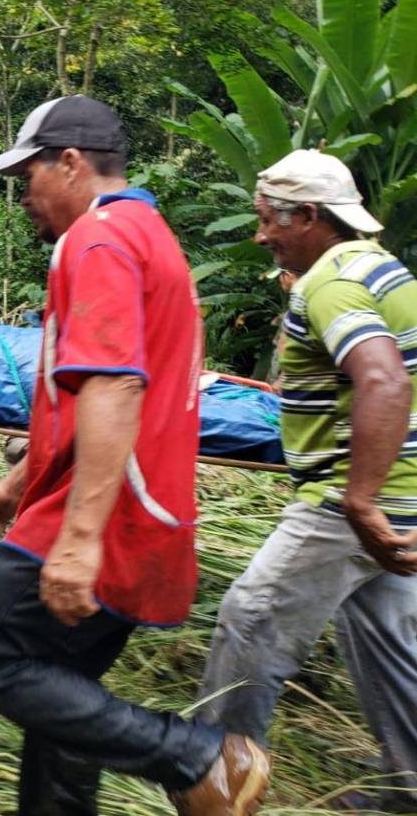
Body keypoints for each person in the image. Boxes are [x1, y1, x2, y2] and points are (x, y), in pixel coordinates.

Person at [0, 95, 270, 815]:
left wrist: (79, 539)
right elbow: (97, 395)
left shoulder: (97, 240)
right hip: (148, 513)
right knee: (61, 706)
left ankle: (200, 758)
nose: (23, 196)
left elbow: (116, 385)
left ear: (69, 163)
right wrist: (16, 481)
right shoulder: (149, 234)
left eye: (27, 175)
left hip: (107, 517)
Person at [198, 149, 417, 813]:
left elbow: (383, 377)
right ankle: (408, 793)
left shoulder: (329, 281)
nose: (261, 234)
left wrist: (358, 501)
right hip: (406, 499)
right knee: (389, 647)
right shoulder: (386, 270)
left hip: (345, 506)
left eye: (269, 220)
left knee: (251, 619)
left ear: (310, 216)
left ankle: (215, 783)